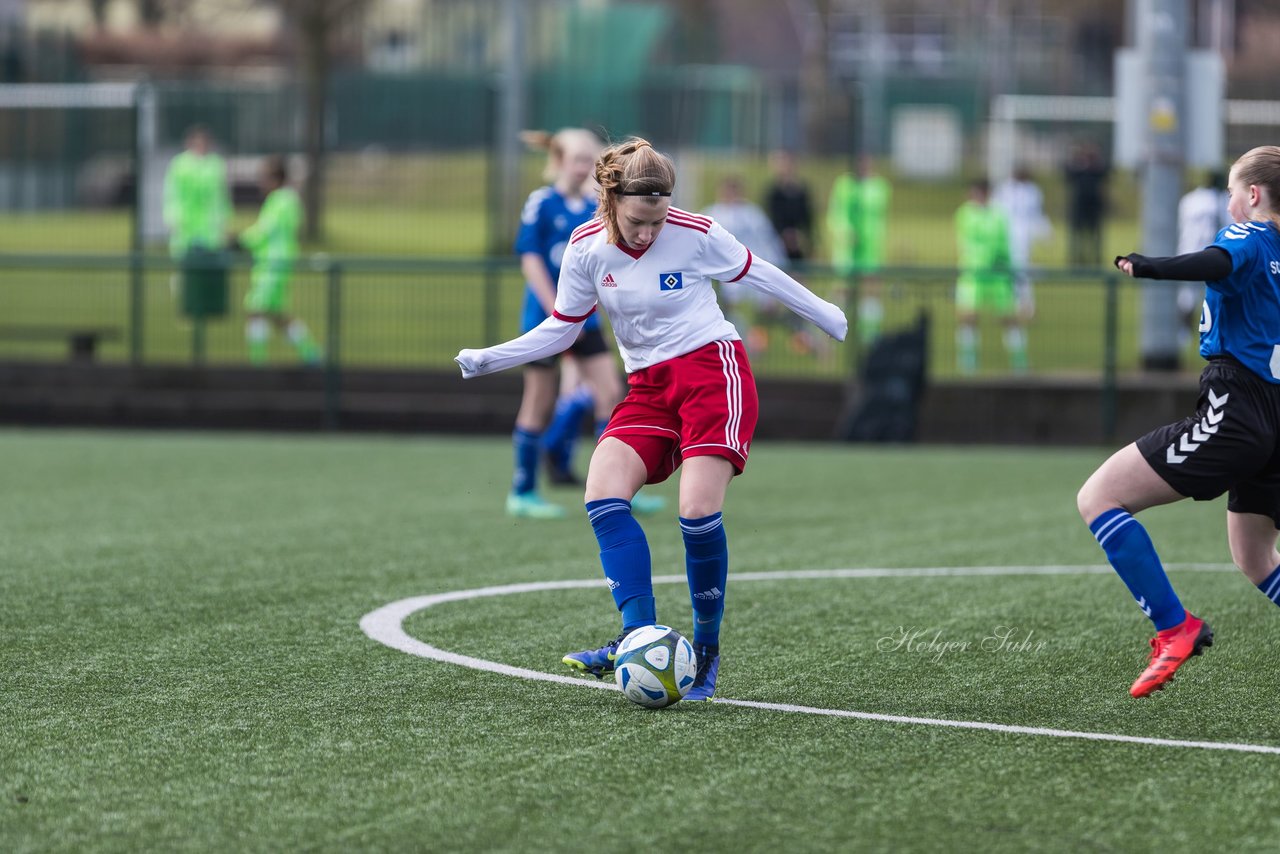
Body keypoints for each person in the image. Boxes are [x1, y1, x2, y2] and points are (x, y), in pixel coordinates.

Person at [455, 138, 847, 700]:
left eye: (658, 220)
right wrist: (492, 357)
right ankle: (638, 635)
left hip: (714, 374)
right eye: (639, 221)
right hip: (649, 388)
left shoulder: (695, 232)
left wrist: (826, 315)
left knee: (695, 511)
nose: (649, 232)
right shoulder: (586, 247)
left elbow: (761, 274)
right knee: (603, 492)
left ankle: (707, 651)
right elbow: (564, 326)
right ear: (610, 199)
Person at [1079, 145, 1280, 698]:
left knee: (1098, 498)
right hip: (1276, 415)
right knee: (1256, 556)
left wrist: (1149, 266)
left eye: (1236, 194)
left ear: (1254, 196)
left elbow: (1215, 261)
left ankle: (1175, 627)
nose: (1232, 204)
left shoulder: (1250, 234)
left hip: (1236, 407)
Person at [507, 129, 665, 520]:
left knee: (611, 393)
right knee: (539, 402)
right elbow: (530, 260)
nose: (583, 168)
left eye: (589, 161)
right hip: (546, 320)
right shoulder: (541, 202)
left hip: (587, 323)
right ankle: (522, 491)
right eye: (577, 159)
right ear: (560, 161)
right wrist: (560, 314)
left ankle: (616, 486)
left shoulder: (596, 207)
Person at [235, 155, 320, 365]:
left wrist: (239, 241)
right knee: (277, 314)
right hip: (277, 264)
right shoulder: (287, 200)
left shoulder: (281, 201)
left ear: (275, 179)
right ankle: (312, 354)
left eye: (264, 177)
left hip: (273, 265)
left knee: (256, 310)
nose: (260, 183)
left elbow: (265, 231)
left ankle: (258, 362)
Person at [702, 174, 788, 353]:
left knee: (760, 319)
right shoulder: (710, 214)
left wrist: (777, 272)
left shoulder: (753, 215)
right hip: (721, 283)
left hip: (749, 279)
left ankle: (755, 350)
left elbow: (769, 244)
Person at [955, 179, 1025, 374]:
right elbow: (969, 242)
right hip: (973, 273)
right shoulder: (965, 214)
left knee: (1008, 317)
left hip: (998, 275)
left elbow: (1004, 244)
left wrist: (1008, 268)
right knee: (968, 315)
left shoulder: (999, 215)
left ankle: (1018, 359)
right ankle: (968, 359)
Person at [828, 154, 891, 344]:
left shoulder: (879, 187)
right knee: (842, 290)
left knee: (871, 288)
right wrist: (845, 234)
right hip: (847, 248)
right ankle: (830, 331)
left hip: (871, 248)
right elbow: (835, 214)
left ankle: (869, 337)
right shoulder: (844, 185)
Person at [163, 125, 231, 299]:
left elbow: (221, 194)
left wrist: (223, 219)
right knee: (183, 262)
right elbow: (172, 192)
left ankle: (205, 299)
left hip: (209, 225)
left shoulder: (215, 164)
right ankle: (185, 299)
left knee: (208, 262)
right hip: (186, 223)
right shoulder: (180, 164)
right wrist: (173, 216)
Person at [1175, 170, 1231, 346]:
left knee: (1188, 295)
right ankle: (1192, 332)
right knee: (1207, 294)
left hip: (1189, 250)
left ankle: (1186, 332)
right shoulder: (1221, 200)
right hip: (1211, 252)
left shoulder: (1190, 199)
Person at [993, 166, 1051, 320]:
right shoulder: (1004, 189)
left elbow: (1036, 214)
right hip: (1003, 235)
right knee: (1005, 270)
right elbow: (996, 210)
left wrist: (1044, 232)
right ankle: (1009, 306)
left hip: (1023, 236)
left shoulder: (1033, 191)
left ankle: (1025, 306)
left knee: (1020, 270)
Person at [764, 150, 814, 266]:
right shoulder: (772, 192)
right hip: (777, 243)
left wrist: (802, 237)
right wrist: (784, 235)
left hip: (798, 245)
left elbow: (808, 219)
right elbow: (770, 219)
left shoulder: (801, 191)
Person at [1064, 141, 1109, 267]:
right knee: (1077, 235)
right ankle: (1076, 259)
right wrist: (1078, 161)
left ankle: (1096, 260)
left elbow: (1105, 172)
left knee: (1095, 236)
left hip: (1094, 206)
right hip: (1079, 206)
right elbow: (1068, 173)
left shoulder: (1097, 168)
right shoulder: (1078, 167)